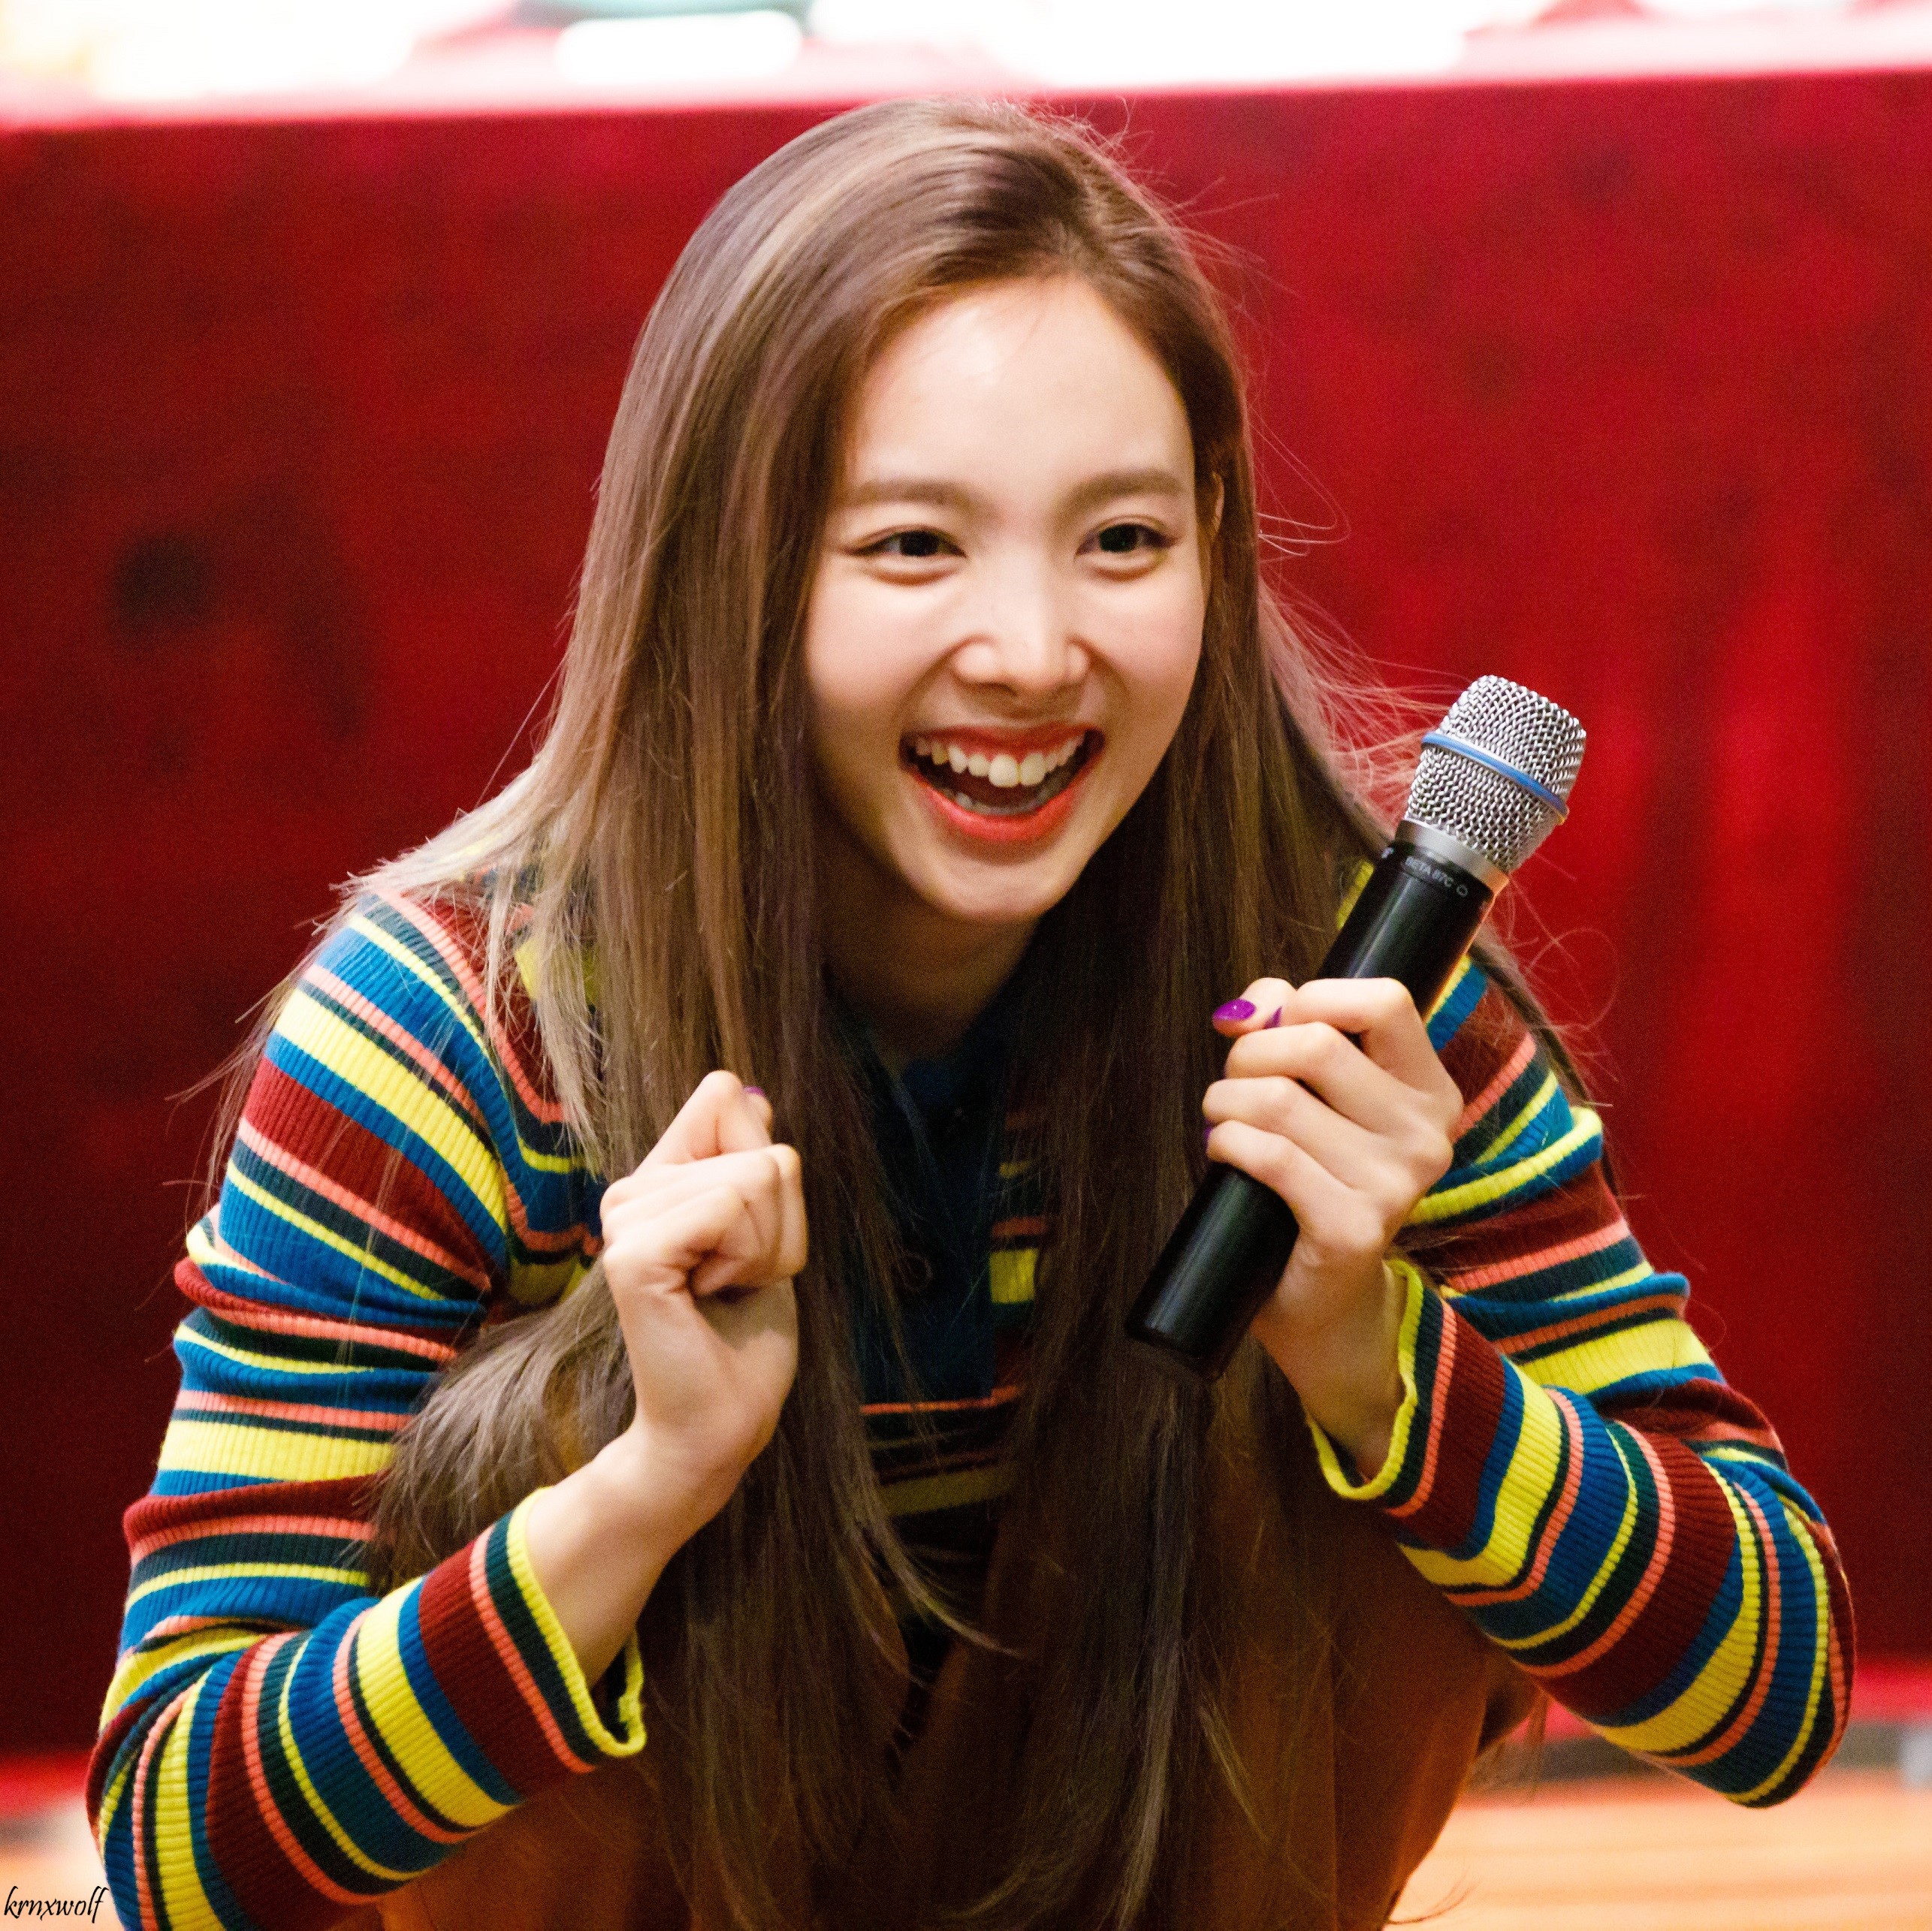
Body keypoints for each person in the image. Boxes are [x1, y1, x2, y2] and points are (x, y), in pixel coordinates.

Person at [89, 97, 1852, 1931]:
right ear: (731, 566)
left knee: (1331, 1423)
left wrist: (1370, 1354)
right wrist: (642, 1484)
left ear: (1215, 543)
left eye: (1121, 540)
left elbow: (1771, 1683)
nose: (1028, 652)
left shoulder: (1344, 993)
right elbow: (175, 1863)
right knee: (538, 1431)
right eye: (913, 546)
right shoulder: (457, 1023)